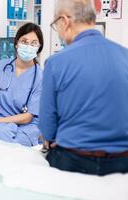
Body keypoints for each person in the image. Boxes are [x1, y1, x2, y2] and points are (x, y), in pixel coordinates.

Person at [39, 0, 128, 175]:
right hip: (123, 161)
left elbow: (47, 128)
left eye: (55, 25)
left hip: (73, 159)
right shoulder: (125, 56)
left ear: (64, 21)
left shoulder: (56, 63)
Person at [0, 23, 44, 147]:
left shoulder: (40, 77)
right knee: (1, 135)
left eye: (34, 43)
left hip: (25, 127)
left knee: (2, 138)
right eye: (24, 41)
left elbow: (28, 117)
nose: (28, 46)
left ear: (38, 48)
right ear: (16, 43)